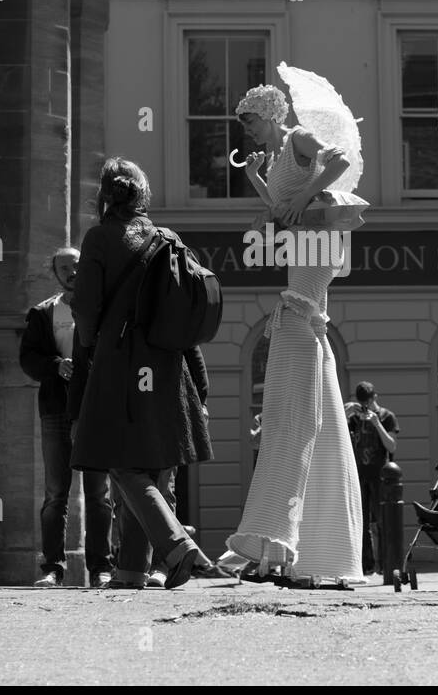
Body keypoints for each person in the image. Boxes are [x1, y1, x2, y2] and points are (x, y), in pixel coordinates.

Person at [218, 82, 364, 582]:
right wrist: (261, 184)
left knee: (292, 405)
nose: (247, 130)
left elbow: (339, 161)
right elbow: (284, 213)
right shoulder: (277, 156)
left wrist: (302, 192)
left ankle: (273, 542)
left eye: (251, 121)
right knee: (301, 412)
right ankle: (284, 545)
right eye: (244, 124)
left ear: (270, 114)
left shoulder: (300, 137)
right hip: (303, 264)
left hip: (311, 267)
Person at [67, 157, 217, 589]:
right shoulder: (170, 238)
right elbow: (186, 316)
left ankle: (176, 546)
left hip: (121, 361)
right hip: (168, 367)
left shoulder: (98, 238)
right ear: (142, 194)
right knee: (151, 467)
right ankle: (132, 570)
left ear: (105, 196)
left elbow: (85, 308)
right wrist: (200, 388)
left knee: (117, 460)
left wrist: (92, 344)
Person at [19, 247, 115, 588]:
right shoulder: (44, 312)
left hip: (94, 411)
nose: (72, 271)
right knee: (56, 493)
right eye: (64, 268)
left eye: (77, 265)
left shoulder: (104, 307)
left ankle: (101, 567)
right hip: (56, 410)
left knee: (98, 494)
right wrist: (55, 365)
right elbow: (28, 359)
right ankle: (52, 569)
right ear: (55, 274)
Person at [345, 382, 399, 576]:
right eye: (362, 404)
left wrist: (376, 423)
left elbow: (392, 447)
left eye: (368, 402)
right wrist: (346, 412)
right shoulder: (354, 419)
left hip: (380, 476)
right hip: (359, 475)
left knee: (383, 520)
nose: (366, 407)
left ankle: (386, 565)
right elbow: (338, 436)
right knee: (361, 522)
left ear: (375, 397)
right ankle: (366, 566)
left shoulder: (386, 417)